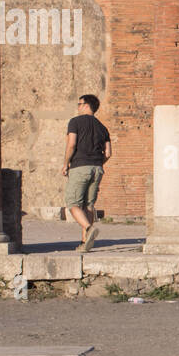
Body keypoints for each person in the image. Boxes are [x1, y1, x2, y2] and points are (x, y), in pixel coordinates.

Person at [63, 94, 111, 251]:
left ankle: (89, 229)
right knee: (88, 205)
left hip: (80, 167)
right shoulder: (102, 127)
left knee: (72, 203)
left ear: (85, 105)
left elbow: (71, 144)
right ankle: (85, 243)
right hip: (97, 168)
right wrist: (97, 163)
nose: (77, 107)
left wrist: (65, 164)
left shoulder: (75, 122)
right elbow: (108, 153)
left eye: (79, 104)